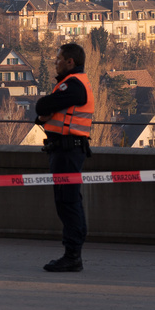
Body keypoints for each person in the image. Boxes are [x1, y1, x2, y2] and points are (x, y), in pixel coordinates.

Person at [34, 42, 94, 272]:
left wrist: (43, 112)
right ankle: (72, 254)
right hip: (62, 150)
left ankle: (73, 256)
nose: (55, 62)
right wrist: (43, 116)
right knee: (66, 202)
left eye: (59, 58)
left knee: (68, 203)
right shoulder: (70, 84)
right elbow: (43, 112)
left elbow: (42, 105)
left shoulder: (74, 85)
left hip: (68, 151)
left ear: (70, 62)